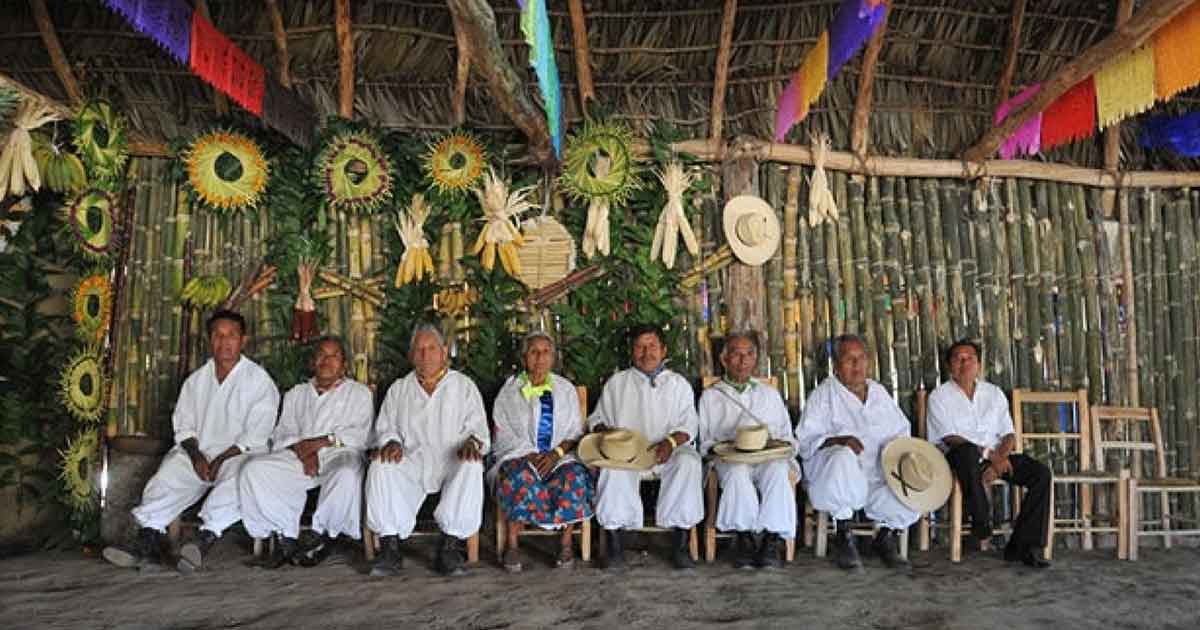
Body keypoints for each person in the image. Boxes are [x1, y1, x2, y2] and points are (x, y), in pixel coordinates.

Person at [102, 310, 280, 574]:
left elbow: (257, 433)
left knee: (242, 477)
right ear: (210, 340)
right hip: (200, 453)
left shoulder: (258, 381)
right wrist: (196, 456)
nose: (224, 342)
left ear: (243, 340)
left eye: (231, 335)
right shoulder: (196, 381)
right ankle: (147, 540)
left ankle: (203, 540)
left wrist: (221, 459)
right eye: (218, 335)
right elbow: (184, 427)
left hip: (240, 454)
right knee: (170, 472)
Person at [365, 323, 488, 577]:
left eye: (431, 348)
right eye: (419, 349)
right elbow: (385, 427)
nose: (425, 355)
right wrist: (391, 442)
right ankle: (390, 546)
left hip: (452, 458)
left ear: (444, 352)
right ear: (411, 355)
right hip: (412, 460)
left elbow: (479, 431)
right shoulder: (399, 388)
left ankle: (449, 546)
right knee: (380, 465)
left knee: (472, 464)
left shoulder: (464, 386)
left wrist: (472, 443)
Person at [238, 336, 372, 568]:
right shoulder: (296, 393)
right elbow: (282, 433)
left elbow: (360, 435)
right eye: (321, 355)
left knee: (347, 473)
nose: (326, 361)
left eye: (334, 356)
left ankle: (323, 537)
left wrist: (321, 443)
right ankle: (285, 538)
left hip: (339, 452)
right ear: (312, 362)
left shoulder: (359, 393)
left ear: (344, 365)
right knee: (255, 469)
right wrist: (305, 452)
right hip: (299, 454)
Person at [795, 334, 917, 570]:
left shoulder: (879, 393)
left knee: (915, 491)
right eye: (849, 359)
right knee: (842, 456)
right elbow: (805, 441)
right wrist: (839, 440)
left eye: (860, 358)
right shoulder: (823, 395)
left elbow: (902, 432)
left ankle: (885, 537)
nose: (856, 365)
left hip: (878, 477)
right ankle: (843, 532)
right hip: (837, 481)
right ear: (836, 365)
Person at [926, 339, 1052, 569]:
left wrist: (999, 460)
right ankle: (981, 521)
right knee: (965, 453)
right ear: (949, 366)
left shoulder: (993, 393)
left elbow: (1009, 434)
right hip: (958, 458)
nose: (964, 364)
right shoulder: (939, 397)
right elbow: (949, 438)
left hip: (996, 456)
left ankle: (1022, 547)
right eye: (958, 359)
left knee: (1040, 474)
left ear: (979, 364)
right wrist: (989, 455)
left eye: (970, 359)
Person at [588, 324, 702, 570]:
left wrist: (670, 443)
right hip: (627, 454)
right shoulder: (617, 383)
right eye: (640, 347)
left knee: (689, 462)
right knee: (611, 467)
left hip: (668, 450)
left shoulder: (678, 384)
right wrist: (608, 434)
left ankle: (680, 540)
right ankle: (615, 541)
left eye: (652, 346)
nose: (646, 352)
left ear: (663, 350)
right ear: (632, 352)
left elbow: (689, 425)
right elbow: (597, 419)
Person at [490, 331, 594, 572]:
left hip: (559, 456)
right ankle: (512, 543)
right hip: (521, 455)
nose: (540, 358)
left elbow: (575, 432)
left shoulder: (565, 389)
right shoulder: (509, 391)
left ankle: (566, 542)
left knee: (574, 477)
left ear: (553, 357)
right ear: (524, 357)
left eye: (546, 352)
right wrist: (529, 454)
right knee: (516, 476)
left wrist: (556, 453)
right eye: (534, 352)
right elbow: (502, 432)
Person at [698, 331, 797, 569]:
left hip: (766, 458)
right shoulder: (712, 396)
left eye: (749, 354)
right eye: (736, 354)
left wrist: (773, 446)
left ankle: (771, 540)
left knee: (777, 471)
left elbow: (787, 438)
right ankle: (744, 538)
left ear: (756, 359)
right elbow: (705, 441)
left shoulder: (769, 394)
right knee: (738, 472)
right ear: (724, 360)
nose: (743, 361)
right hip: (730, 460)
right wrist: (728, 448)